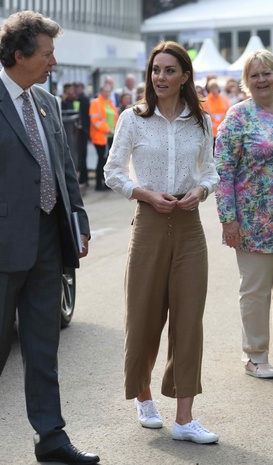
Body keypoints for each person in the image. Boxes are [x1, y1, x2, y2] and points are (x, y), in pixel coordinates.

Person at [104, 40, 220, 444]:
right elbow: (112, 171)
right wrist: (146, 194)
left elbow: (212, 171)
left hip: (190, 227)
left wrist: (201, 192)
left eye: (170, 70)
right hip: (150, 223)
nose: (161, 77)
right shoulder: (132, 119)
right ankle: (143, 396)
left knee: (189, 322)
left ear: (185, 76)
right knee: (144, 316)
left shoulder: (200, 121)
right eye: (156, 70)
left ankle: (185, 418)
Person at [0, 10, 100, 465]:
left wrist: (76, 220)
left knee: (43, 347)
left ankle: (51, 439)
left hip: (46, 242)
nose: (54, 61)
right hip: (3, 247)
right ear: (19, 55)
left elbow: (63, 171)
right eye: (46, 53)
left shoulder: (47, 102)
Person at [214, 49, 273, 379]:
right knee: (255, 292)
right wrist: (229, 218)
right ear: (246, 81)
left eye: (266, 72)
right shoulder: (238, 116)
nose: (261, 79)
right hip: (256, 223)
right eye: (254, 74)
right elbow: (223, 170)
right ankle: (255, 356)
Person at [89, 82, 118, 191]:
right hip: (100, 136)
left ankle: (106, 183)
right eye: (105, 91)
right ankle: (98, 184)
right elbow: (95, 120)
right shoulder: (96, 103)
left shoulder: (109, 103)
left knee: (107, 161)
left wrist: (115, 129)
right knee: (101, 160)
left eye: (108, 91)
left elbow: (115, 117)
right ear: (101, 92)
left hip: (110, 135)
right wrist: (108, 129)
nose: (107, 93)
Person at [74, 82, 90, 189]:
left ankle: (84, 178)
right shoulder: (81, 98)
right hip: (82, 131)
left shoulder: (82, 99)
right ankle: (84, 177)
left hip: (82, 131)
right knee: (82, 156)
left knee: (82, 156)